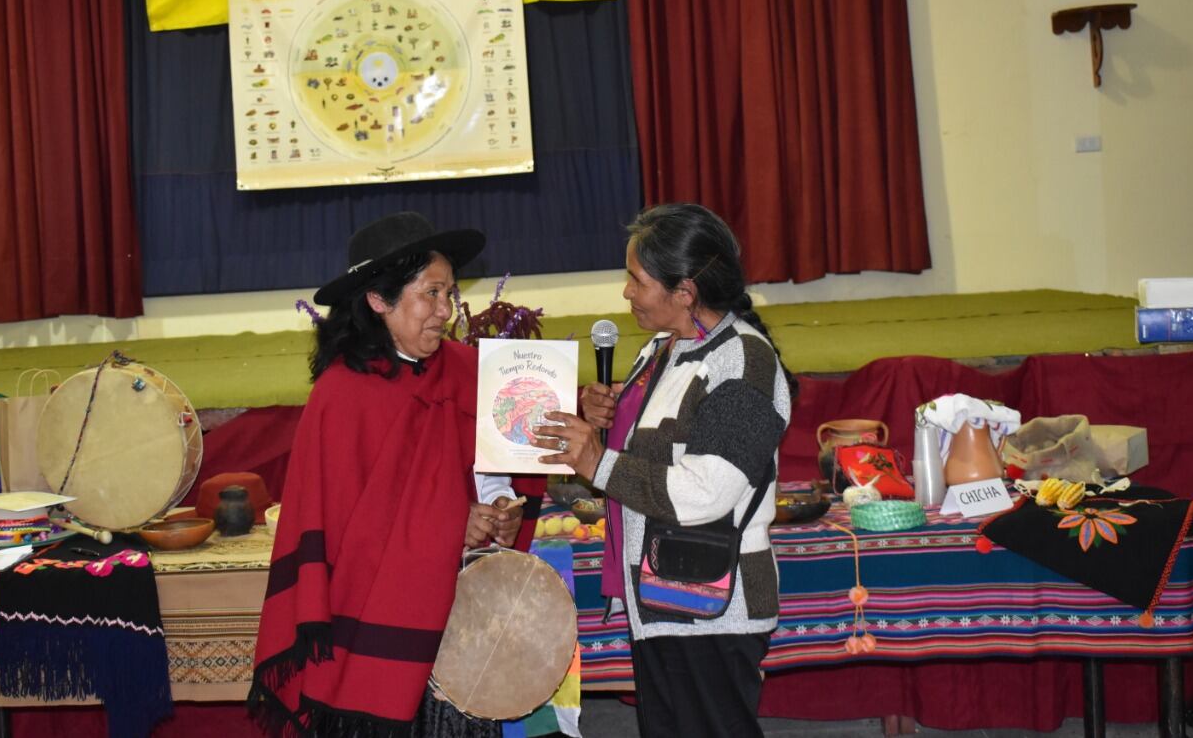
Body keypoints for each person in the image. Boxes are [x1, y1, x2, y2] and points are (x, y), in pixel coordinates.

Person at [249, 211, 522, 737]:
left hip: (462, 633)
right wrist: (453, 523)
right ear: (379, 300)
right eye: (431, 294)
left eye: (449, 293)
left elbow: (492, 469)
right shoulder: (342, 396)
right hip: (369, 636)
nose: (446, 310)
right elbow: (349, 532)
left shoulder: (468, 371)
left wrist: (502, 507)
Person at [537, 203, 794, 738]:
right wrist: (607, 420)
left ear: (685, 291)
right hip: (662, 595)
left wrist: (595, 459)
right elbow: (654, 452)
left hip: (714, 607)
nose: (626, 292)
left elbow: (705, 492)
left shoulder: (742, 361)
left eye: (637, 279)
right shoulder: (664, 348)